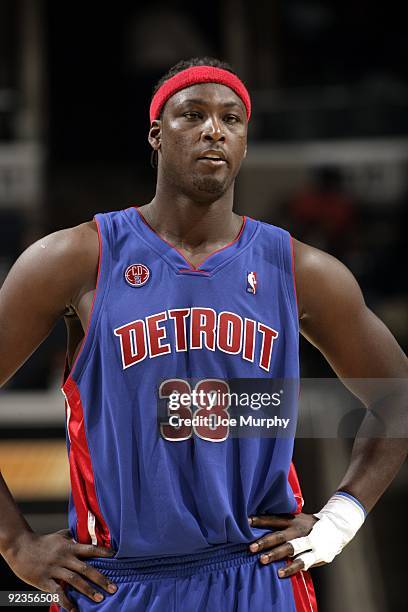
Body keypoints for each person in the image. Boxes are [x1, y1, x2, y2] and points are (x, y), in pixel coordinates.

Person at [0, 56, 407, 612]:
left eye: (232, 119)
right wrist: (15, 542)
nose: (214, 129)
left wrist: (341, 518)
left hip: (257, 573)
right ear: (156, 136)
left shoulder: (301, 270)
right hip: (116, 581)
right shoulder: (76, 258)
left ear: (244, 141)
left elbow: (399, 395)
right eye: (192, 114)